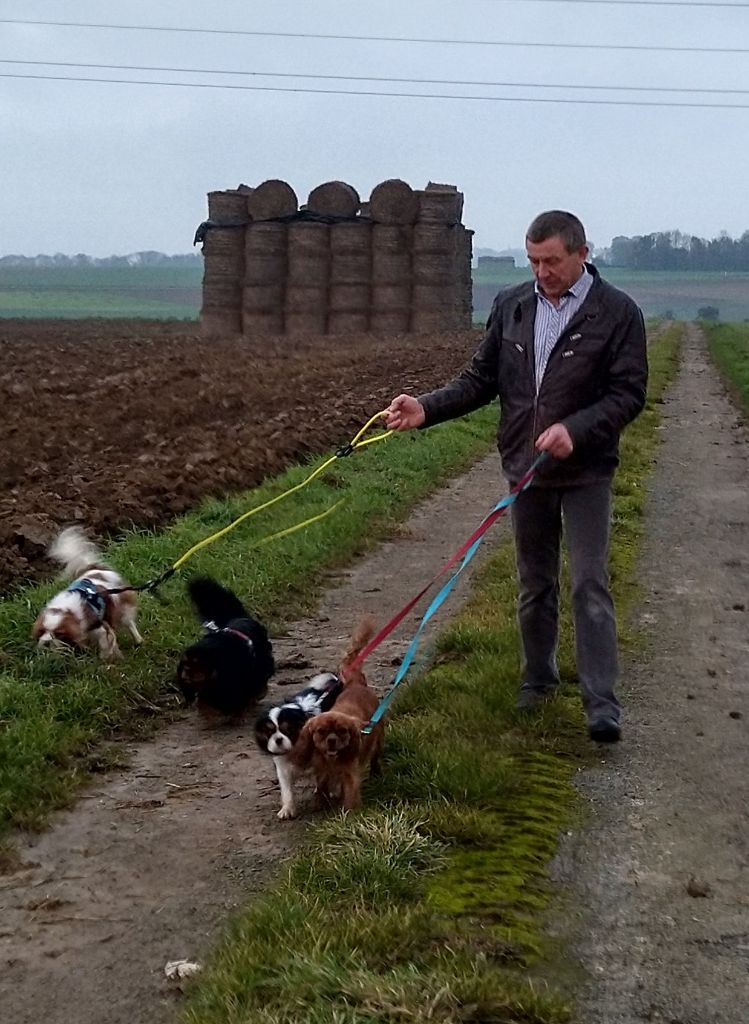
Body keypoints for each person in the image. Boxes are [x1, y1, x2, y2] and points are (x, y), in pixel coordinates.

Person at [384, 210, 648, 744]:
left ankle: (602, 705)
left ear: (581, 253)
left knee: (590, 585)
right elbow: (480, 380)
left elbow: (628, 394)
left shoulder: (618, 313)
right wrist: (425, 409)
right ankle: (538, 680)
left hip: (586, 471)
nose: (542, 271)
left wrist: (575, 429)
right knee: (534, 583)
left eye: (551, 261)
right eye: (533, 261)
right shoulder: (512, 306)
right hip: (525, 470)